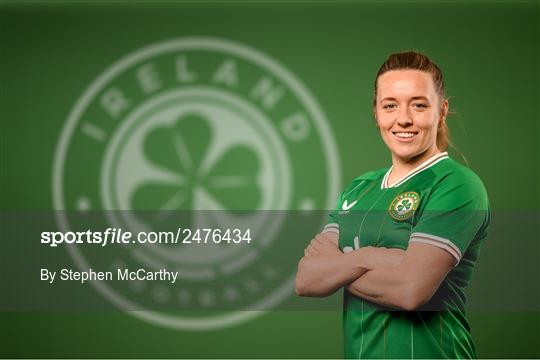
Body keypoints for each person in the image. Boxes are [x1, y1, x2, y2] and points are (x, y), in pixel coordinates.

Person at [295, 51, 490, 359]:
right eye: (390, 105)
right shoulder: (359, 188)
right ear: (376, 112)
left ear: (442, 110)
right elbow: (306, 278)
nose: (404, 119)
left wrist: (340, 265)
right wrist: (373, 256)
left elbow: (410, 290)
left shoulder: (456, 184)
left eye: (419, 105)